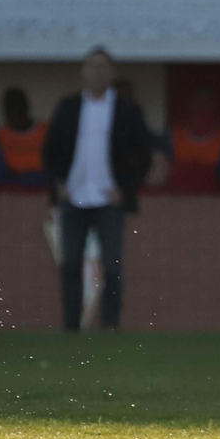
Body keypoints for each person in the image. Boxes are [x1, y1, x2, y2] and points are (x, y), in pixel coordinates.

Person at [43, 48, 156, 332]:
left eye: (103, 67)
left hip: (109, 200)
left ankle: (110, 324)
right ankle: (71, 325)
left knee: (112, 266)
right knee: (70, 263)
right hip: (74, 198)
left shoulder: (127, 109)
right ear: (82, 71)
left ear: (112, 72)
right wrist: (58, 184)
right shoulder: (68, 107)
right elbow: (50, 150)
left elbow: (144, 154)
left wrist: (126, 189)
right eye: (91, 66)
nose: (97, 72)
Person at [167, 88, 220, 193]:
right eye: (197, 104)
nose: (201, 109)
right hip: (177, 196)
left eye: (206, 105)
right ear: (189, 108)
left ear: (214, 109)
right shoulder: (174, 135)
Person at [0, 88, 49, 189]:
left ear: (26, 109)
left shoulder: (46, 131)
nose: (15, 115)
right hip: (13, 191)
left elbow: (58, 170)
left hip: (45, 189)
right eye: (10, 111)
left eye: (19, 110)